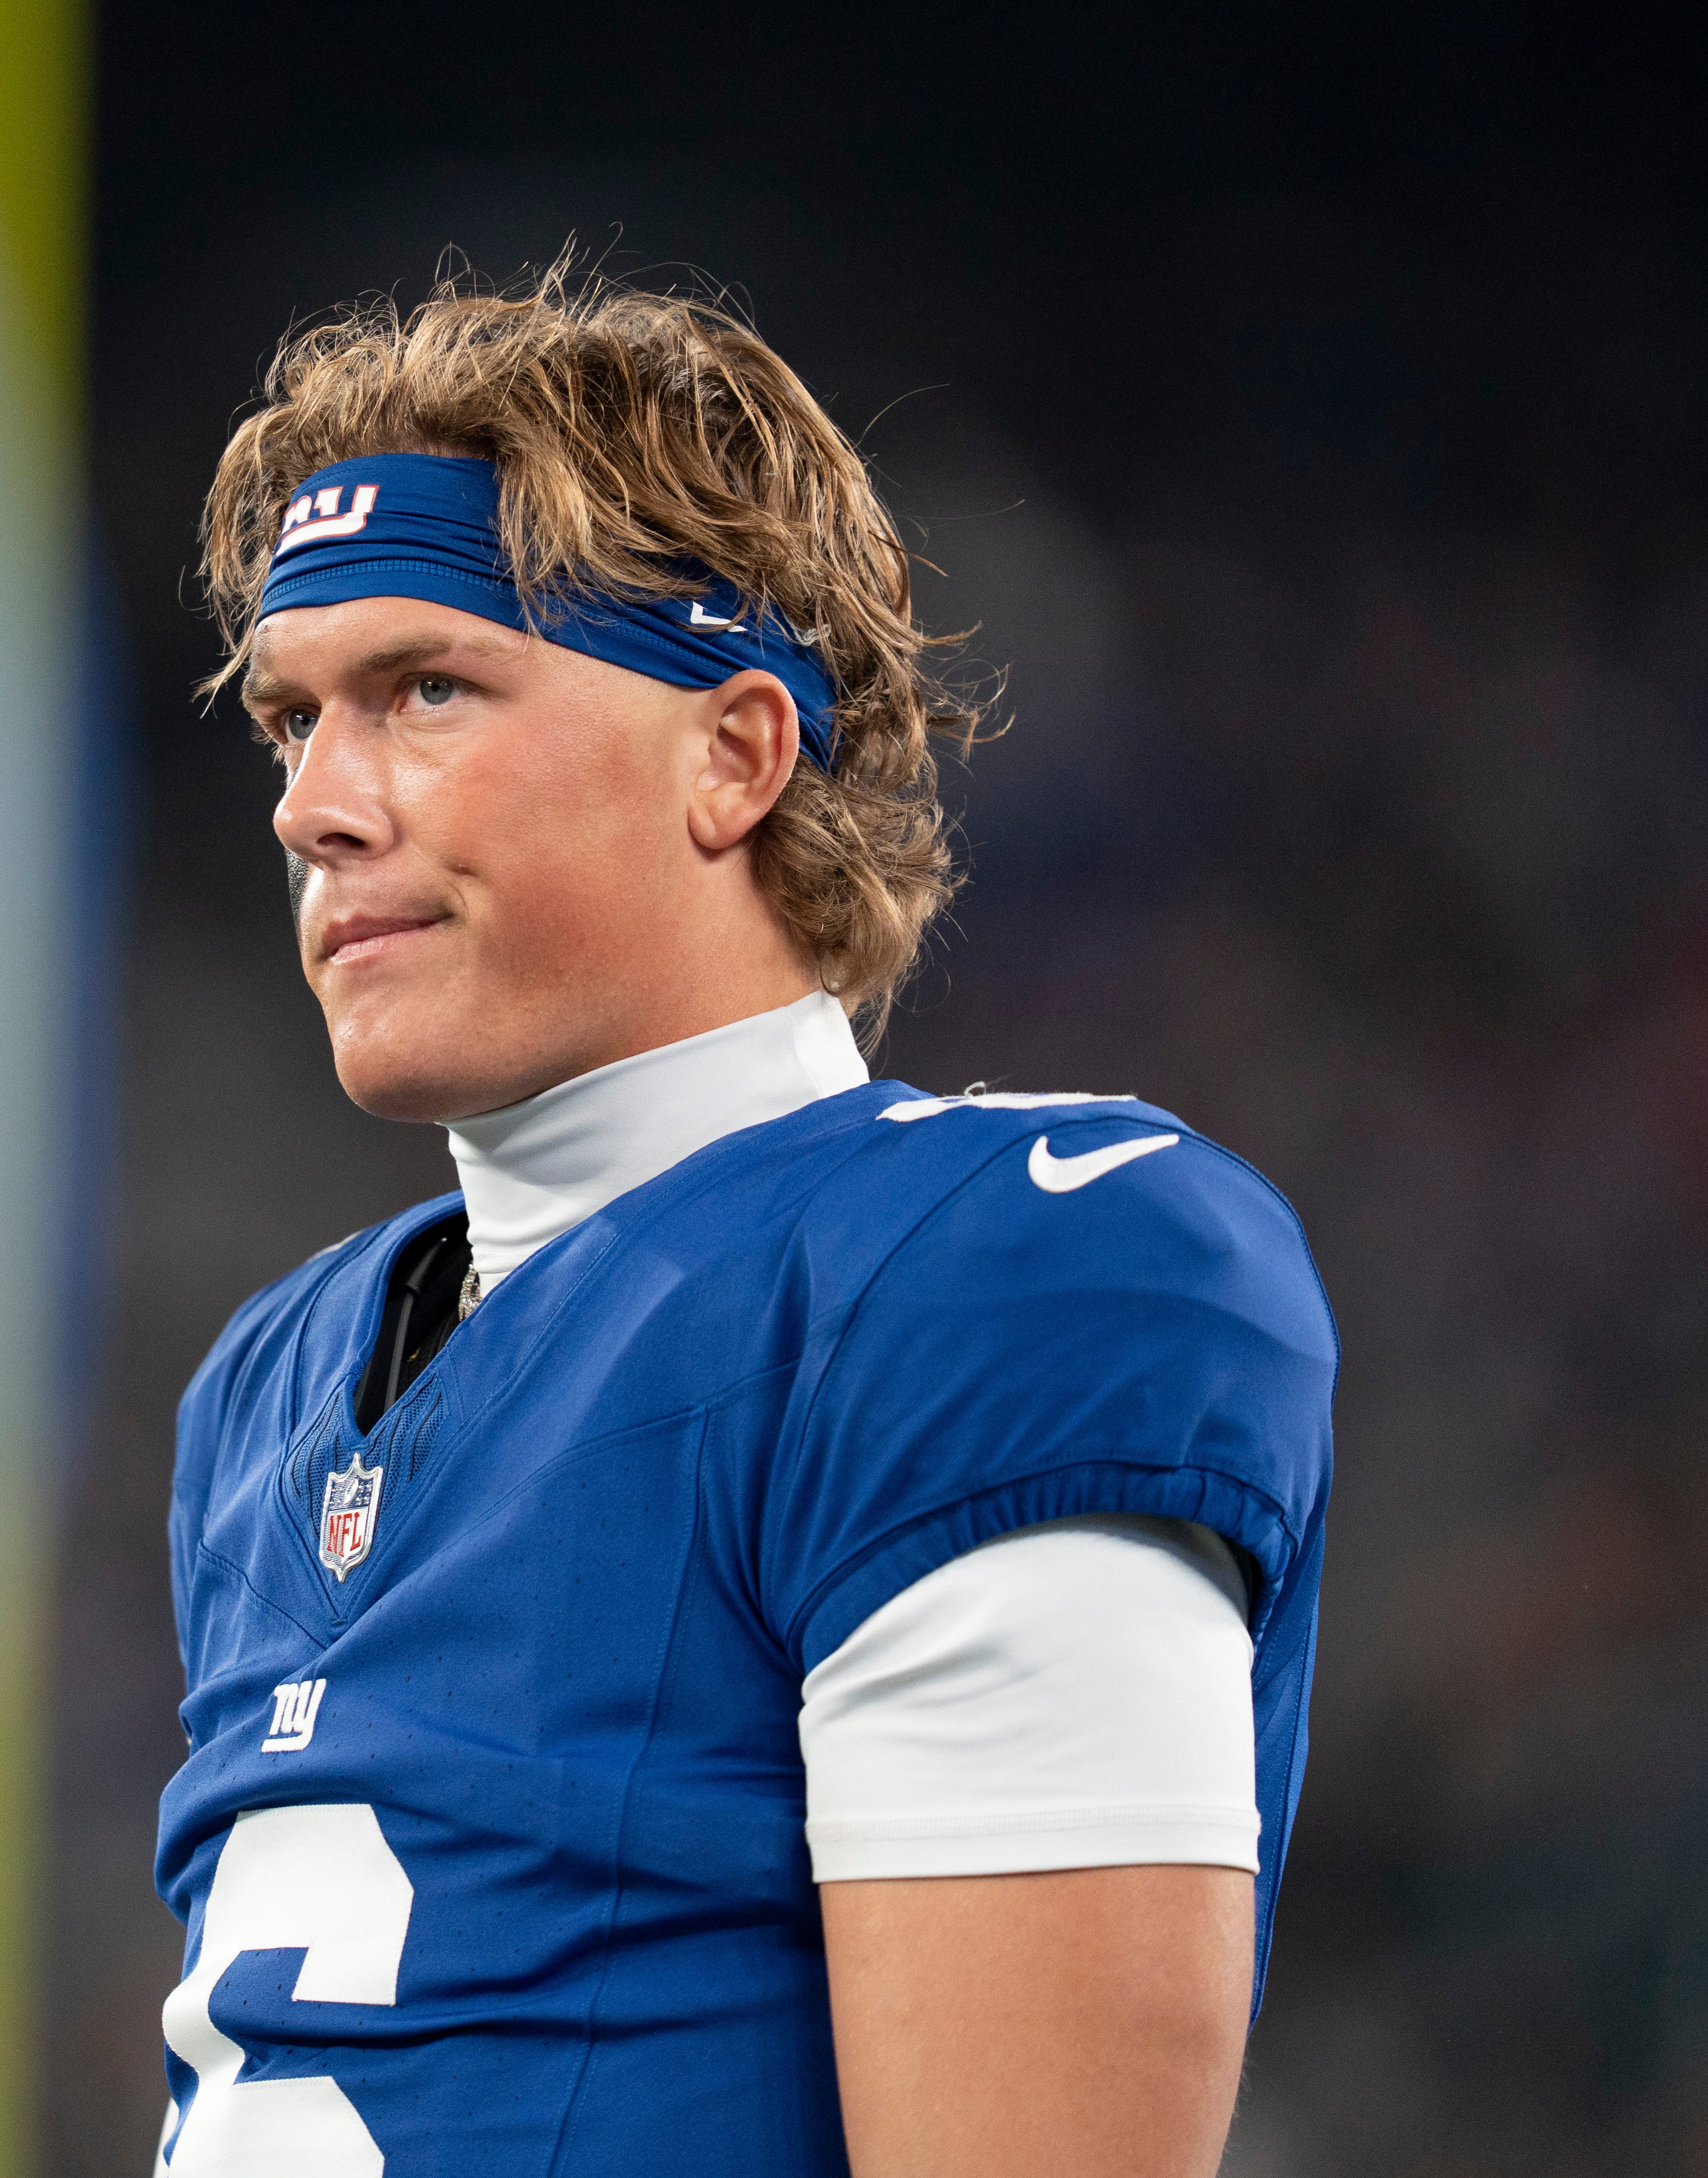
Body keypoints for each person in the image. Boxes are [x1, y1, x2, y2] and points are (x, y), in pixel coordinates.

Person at [150, 271, 1335, 2178]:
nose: (311, 806)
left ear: (736, 751)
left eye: (424, 688)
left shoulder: (982, 1273)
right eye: (293, 720)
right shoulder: (272, 1387)